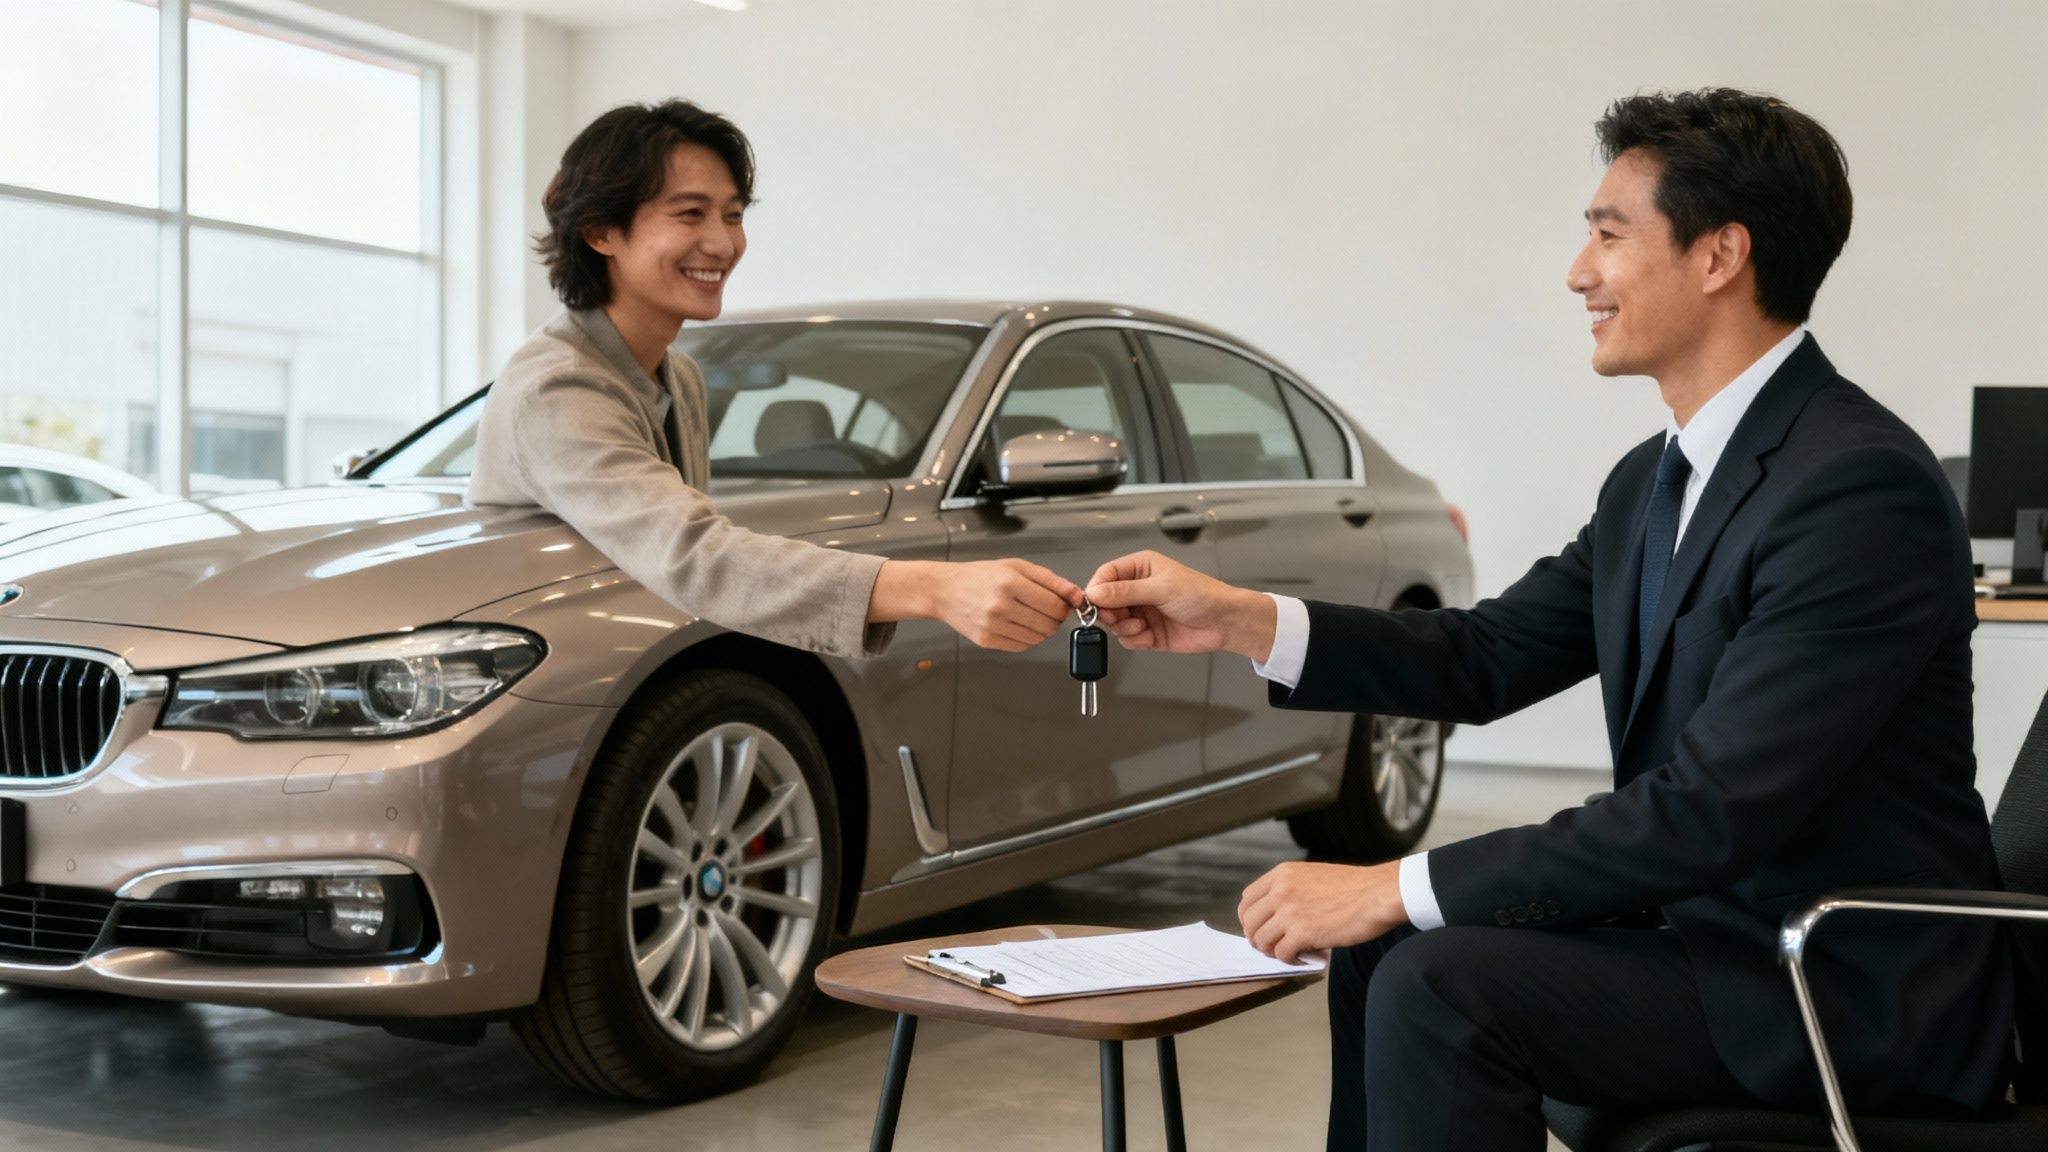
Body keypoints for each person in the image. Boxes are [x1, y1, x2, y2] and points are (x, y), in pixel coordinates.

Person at [1084, 89, 2014, 1149]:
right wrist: (1242, 620)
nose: (1578, 273)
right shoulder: (1652, 480)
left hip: (1837, 985)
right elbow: (1486, 656)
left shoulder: (1855, 489)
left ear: (1719, 256)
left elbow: (1710, 810)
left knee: (1440, 980)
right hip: (1707, 939)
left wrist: (1393, 882)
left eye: (1608, 236)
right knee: (1387, 953)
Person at [469, 100, 1082, 660]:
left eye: (733, 216)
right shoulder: (558, 389)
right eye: (690, 214)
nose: (722, 243)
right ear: (600, 232)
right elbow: (693, 555)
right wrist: (934, 587)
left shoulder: (678, 374)